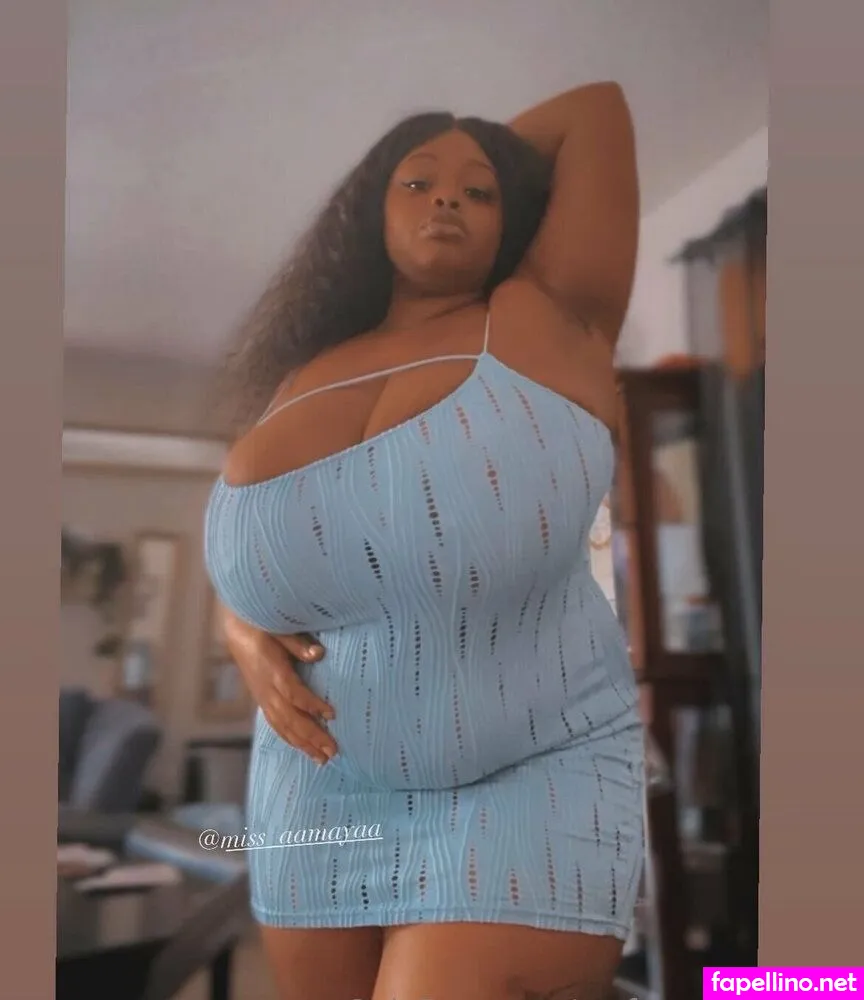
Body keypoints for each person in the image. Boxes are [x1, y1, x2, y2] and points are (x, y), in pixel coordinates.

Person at [205, 80, 643, 1000]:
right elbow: (270, 555)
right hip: (314, 787)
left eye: (479, 192)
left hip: (528, 771)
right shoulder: (299, 373)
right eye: (417, 184)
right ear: (368, 211)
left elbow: (595, 110)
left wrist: (444, 151)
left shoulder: (549, 314)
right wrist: (238, 623)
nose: (447, 199)